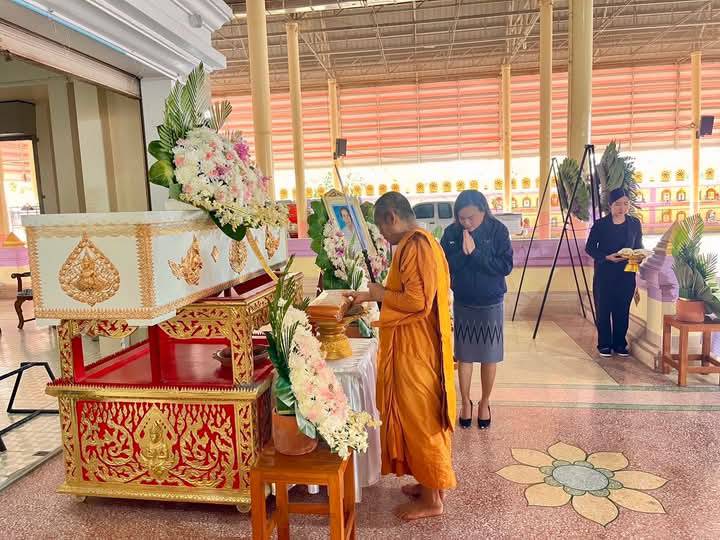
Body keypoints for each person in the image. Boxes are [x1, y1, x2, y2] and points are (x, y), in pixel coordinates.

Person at [348, 191, 456, 521]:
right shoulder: (420, 242)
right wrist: (370, 295)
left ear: (391, 217)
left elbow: (416, 301)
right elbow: (408, 293)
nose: (383, 236)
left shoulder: (416, 246)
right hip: (415, 344)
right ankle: (427, 484)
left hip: (416, 349)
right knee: (416, 416)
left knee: (422, 419)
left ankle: (433, 500)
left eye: (382, 229)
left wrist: (380, 292)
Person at [440, 190, 513, 430]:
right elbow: (445, 266)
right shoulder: (451, 233)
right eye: (461, 218)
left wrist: (476, 254)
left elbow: (505, 266)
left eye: (470, 217)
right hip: (464, 302)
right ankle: (465, 403)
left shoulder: (498, 231)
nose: (466, 223)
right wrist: (464, 253)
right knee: (465, 356)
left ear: (483, 211)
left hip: (491, 302)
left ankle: (485, 402)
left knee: (489, 356)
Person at [585, 188, 643, 357]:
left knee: (622, 310)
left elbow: (638, 245)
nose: (622, 208)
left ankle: (619, 343)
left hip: (626, 274)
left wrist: (639, 256)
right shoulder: (600, 225)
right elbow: (590, 248)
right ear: (610, 205)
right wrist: (606, 257)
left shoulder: (634, 223)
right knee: (604, 309)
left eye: (626, 204)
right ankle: (604, 344)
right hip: (605, 273)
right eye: (618, 204)